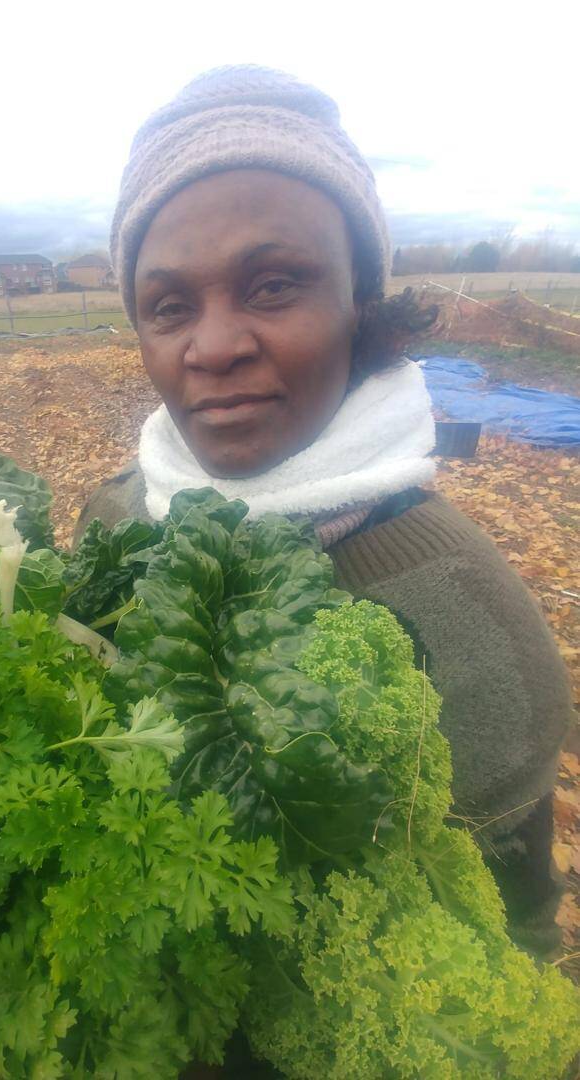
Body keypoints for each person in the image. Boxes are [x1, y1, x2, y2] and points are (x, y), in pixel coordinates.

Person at [75, 66, 572, 966]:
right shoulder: (113, 521)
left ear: (360, 302)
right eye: (169, 305)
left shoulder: (470, 622)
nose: (214, 346)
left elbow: (511, 955)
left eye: (273, 286)